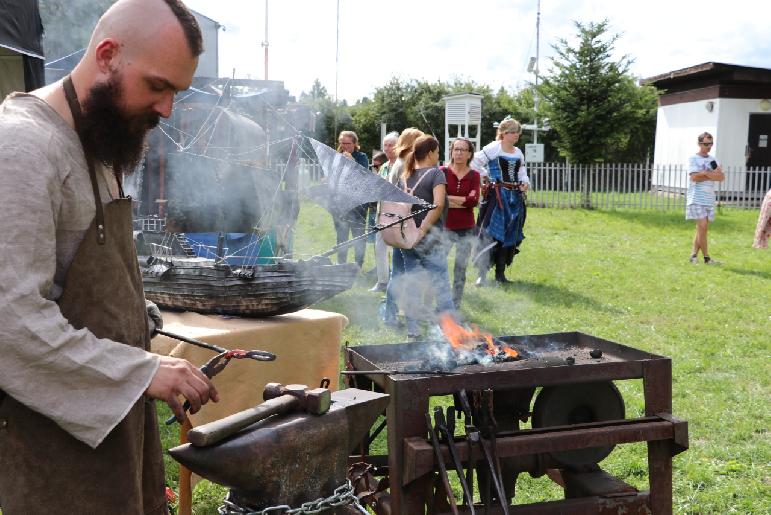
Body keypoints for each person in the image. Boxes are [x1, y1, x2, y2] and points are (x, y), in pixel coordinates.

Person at [0, 1, 219, 513]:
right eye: (158, 86)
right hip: (50, 452)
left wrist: (140, 321)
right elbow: (9, 320)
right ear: (107, 55)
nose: (166, 109)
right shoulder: (23, 148)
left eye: (176, 93)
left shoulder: (95, 142)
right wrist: (139, 372)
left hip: (113, 432)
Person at [398, 135, 454, 339]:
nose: (439, 156)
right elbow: (438, 204)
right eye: (438, 152)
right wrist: (422, 230)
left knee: (412, 283)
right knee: (441, 285)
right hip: (429, 238)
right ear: (430, 152)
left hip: (406, 239)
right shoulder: (436, 174)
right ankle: (451, 330)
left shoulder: (405, 175)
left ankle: (412, 329)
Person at [471, 117, 530, 284]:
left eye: (518, 132)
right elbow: (474, 162)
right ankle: (482, 275)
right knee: (489, 234)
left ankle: (500, 274)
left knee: (510, 234)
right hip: (496, 199)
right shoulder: (493, 148)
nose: (516, 135)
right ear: (504, 134)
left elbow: (522, 173)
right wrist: (487, 176)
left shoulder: (518, 152)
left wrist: (525, 183)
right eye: (513, 132)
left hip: (514, 198)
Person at [382, 128, 424, 327]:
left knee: (397, 273)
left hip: (397, 223)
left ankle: (390, 315)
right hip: (406, 224)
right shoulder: (406, 162)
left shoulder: (398, 161)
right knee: (407, 273)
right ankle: (408, 320)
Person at [441, 138, 481, 307]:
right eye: (456, 149)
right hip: (444, 227)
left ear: (469, 154)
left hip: (466, 228)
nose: (458, 153)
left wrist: (449, 199)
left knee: (460, 268)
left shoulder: (474, 175)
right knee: (438, 264)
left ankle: (455, 303)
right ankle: (440, 300)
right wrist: (461, 200)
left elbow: (473, 201)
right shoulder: (442, 172)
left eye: (462, 150)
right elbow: (439, 198)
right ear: (451, 151)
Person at [686, 132, 725, 264]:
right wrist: (710, 174)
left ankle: (693, 256)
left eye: (711, 144)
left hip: (709, 199)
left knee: (701, 229)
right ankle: (707, 258)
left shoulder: (712, 160)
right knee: (702, 227)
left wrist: (705, 173)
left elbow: (721, 177)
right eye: (706, 144)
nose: (709, 146)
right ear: (699, 144)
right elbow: (694, 177)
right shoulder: (693, 159)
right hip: (696, 198)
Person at [334, 130, 369, 268]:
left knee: (358, 235)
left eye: (348, 143)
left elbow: (364, 176)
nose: (344, 146)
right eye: (342, 143)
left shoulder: (362, 157)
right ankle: (340, 265)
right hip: (340, 203)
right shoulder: (337, 157)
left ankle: (357, 265)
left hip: (358, 204)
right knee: (341, 237)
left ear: (355, 143)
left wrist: (352, 162)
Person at [370, 132, 399, 292]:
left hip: (397, 214)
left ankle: (396, 281)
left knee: (396, 249)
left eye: (390, 145)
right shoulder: (384, 167)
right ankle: (382, 281)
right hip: (382, 213)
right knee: (379, 247)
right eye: (385, 145)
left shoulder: (402, 166)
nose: (387, 148)